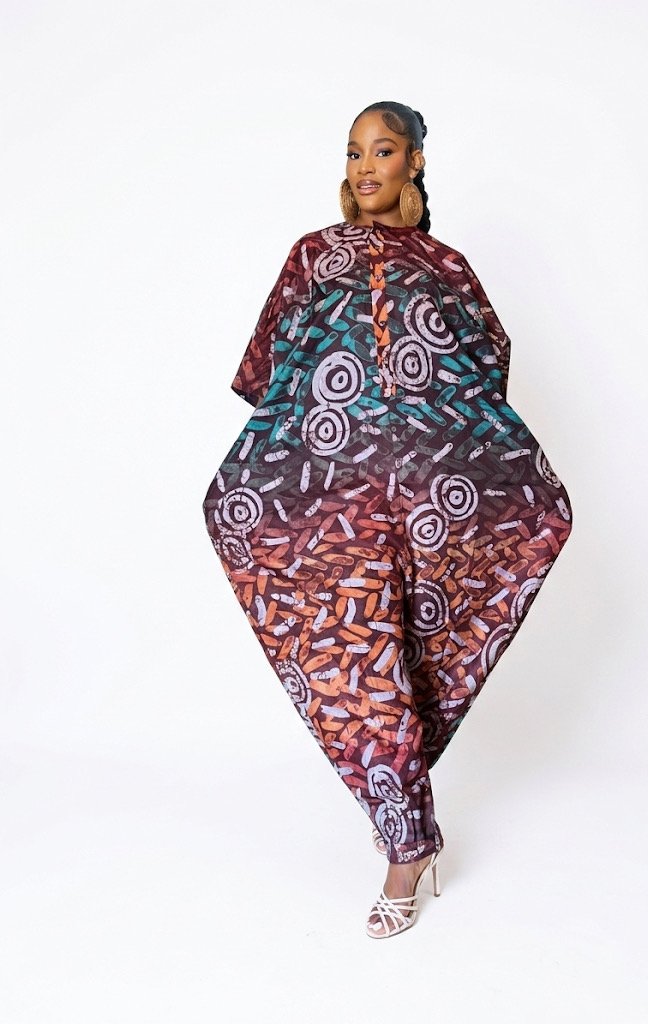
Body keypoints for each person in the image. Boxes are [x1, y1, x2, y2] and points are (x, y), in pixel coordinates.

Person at [202, 100, 573, 938]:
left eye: (383, 150)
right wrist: (327, 447)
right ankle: (408, 845)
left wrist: (425, 445)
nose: (365, 166)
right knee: (354, 656)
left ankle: (403, 820)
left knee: (413, 647)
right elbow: (270, 375)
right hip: (333, 503)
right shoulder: (313, 255)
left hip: (427, 500)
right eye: (353, 152)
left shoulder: (447, 267)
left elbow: (483, 376)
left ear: (415, 163)